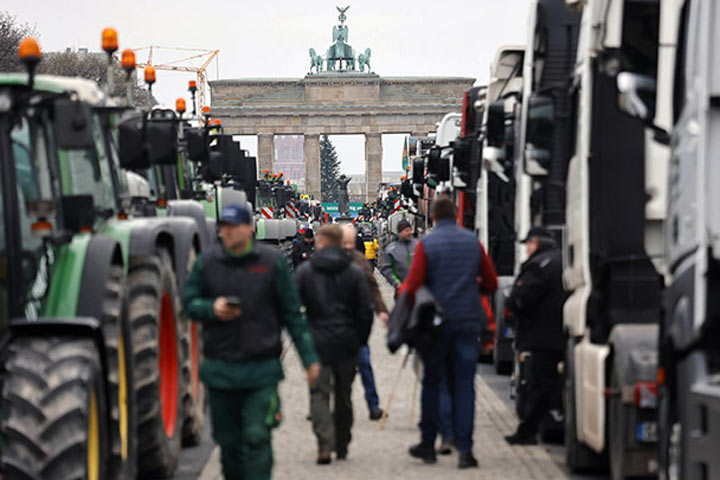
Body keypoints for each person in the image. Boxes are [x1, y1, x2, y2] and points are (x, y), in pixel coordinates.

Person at [183, 204, 321, 480]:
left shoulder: (271, 263)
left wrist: (309, 359)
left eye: (233, 226)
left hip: (261, 369)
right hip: (221, 370)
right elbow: (188, 303)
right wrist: (212, 308)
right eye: (223, 227)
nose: (227, 232)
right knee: (229, 444)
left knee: (258, 437)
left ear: (249, 228)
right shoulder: (207, 263)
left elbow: (292, 313)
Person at [399, 197, 497, 469]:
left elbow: (414, 284)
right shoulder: (472, 242)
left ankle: (428, 444)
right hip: (467, 323)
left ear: (431, 217)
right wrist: (473, 292)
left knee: (433, 382)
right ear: (456, 215)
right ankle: (465, 450)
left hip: (436, 325)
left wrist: (408, 317)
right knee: (465, 385)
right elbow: (491, 281)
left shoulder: (427, 245)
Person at [295, 225, 374, 464]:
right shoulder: (355, 271)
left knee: (319, 394)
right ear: (341, 243)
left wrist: (303, 339)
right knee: (344, 395)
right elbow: (364, 311)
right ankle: (342, 443)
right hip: (347, 341)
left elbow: (292, 307)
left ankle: (324, 445)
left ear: (320, 242)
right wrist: (360, 339)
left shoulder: (306, 271)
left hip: (317, 340)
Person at [504, 226, 566, 445]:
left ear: (535, 243)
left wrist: (511, 304)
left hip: (540, 336)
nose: (527, 249)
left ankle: (537, 428)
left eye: (528, 244)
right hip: (558, 334)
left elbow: (520, 298)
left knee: (542, 386)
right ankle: (528, 431)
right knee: (542, 386)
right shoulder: (561, 260)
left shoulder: (538, 266)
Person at [341, 224, 389, 421]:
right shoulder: (328, 262)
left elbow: (373, 287)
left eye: (350, 243)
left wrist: (381, 310)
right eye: (345, 243)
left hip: (355, 325)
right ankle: (325, 405)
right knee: (333, 371)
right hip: (335, 325)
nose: (348, 247)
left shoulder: (360, 262)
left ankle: (373, 405)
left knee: (365, 365)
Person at [380, 219, 417, 293]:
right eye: (406, 230)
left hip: (418, 289)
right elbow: (386, 269)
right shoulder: (391, 250)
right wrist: (396, 283)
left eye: (410, 230)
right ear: (400, 233)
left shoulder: (418, 245)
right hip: (401, 290)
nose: (409, 233)